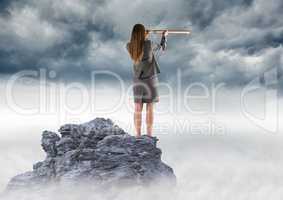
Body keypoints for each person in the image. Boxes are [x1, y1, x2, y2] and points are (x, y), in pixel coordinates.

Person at [126, 23, 168, 137]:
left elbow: (140, 47)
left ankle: (138, 135)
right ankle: (149, 135)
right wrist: (164, 36)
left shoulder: (129, 46)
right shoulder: (148, 44)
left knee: (137, 108)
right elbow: (161, 48)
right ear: (143, 33)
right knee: (150, 107)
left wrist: (144, 36)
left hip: (137, 80)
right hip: (150, 79)